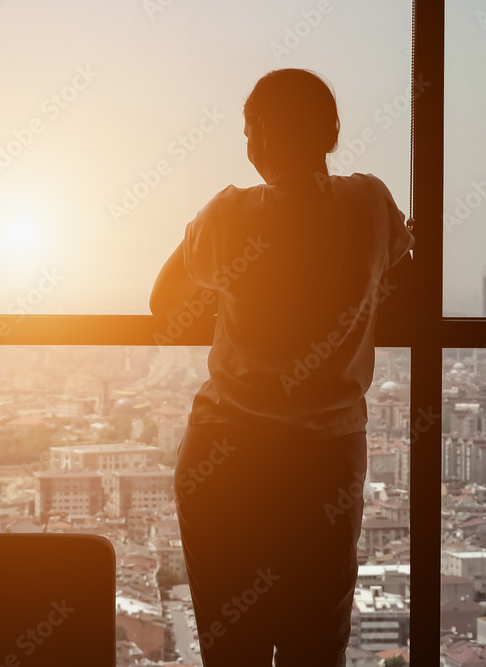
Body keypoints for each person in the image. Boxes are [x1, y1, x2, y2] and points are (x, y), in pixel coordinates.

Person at [150, 68, 415, 667]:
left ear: (262, 134)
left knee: (231, 642)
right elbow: (405, 276)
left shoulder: (230, 214)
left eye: (249, 130)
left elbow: (164, 300)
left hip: (227, 453)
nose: (247, 143)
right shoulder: (370, 202)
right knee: (315, 644)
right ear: (333, 132)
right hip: (325, 459)